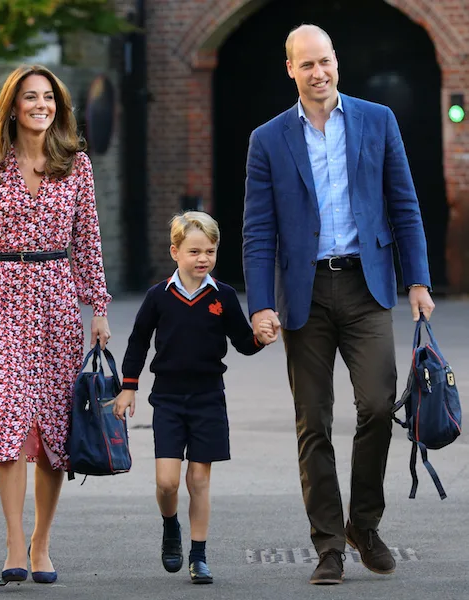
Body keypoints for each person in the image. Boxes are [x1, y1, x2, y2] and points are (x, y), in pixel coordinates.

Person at [242, 24, 436, 585]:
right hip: (303, 295)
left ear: (336, 61)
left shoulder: (378, 120)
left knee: (378, 406)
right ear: (290, 70)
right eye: (306, 65)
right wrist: (260, 306)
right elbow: (258, 231)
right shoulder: (268, 139)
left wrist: (417, 280)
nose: (317, 73)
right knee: (314, 423)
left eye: (324, 61)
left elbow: (405, 205)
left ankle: (364, 525)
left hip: (366, 286)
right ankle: (327, 544)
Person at [0, 64, 112, 584]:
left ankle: (41, 544)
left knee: (55, 427)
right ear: (13, 105)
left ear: (58, 105)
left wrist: (98, 306)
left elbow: (89, 244)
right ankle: (13, 541)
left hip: (57, 302)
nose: (41, 105)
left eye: (48, 98)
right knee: (8, 421)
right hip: (8, 300)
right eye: (30, 97)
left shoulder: (76, 166)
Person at [113, 211, 275, 584]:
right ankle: (171, 527)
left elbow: (242, 342)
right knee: (168, 482)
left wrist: (259, 339)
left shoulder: (224, 296)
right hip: (168, 399)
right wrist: (129, 386)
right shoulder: (158, 296)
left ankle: (198, 556)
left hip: (208, 399)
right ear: (175, 252)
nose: (203, 259)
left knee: (199, 480)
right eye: (194, 251)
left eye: (211, 251)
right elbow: (138, 341)